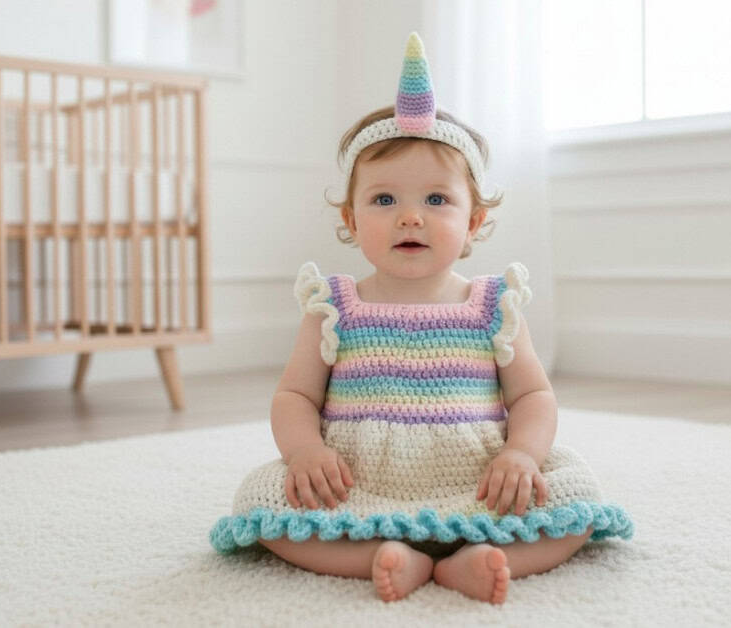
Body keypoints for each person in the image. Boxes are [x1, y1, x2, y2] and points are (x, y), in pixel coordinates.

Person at [209, 32, 633, 605]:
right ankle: (383, 557)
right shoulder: (332, 306)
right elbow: (295, 396)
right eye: (384, 200)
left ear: (474, 220)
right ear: (351, 220)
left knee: (576, 496)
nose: (410, 218)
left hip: (479, 481)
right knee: (262, 500)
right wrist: (305, 452)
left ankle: (476, 562)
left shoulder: (494, 304)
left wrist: (521, 455)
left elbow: (533, 395)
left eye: (436, 200)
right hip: (359, 483)